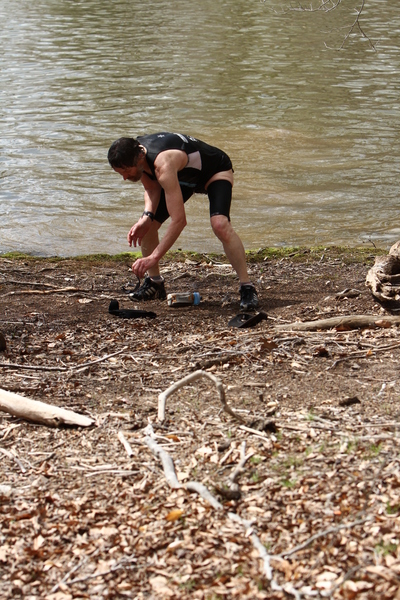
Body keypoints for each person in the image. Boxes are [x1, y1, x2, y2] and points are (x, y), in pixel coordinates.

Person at [107, 132, 259, 310]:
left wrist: (153, 257)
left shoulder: (162, 164)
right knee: (148, 226)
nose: (125, 177)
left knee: (220, 224)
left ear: (140, 156)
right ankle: (155, 284)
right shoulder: (136, 154)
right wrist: (146, 216)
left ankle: (247, 287)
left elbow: (179, 221)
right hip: (183, 178)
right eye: (121, 173)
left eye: (126, 171)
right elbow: (152, 187)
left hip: (214, 171)